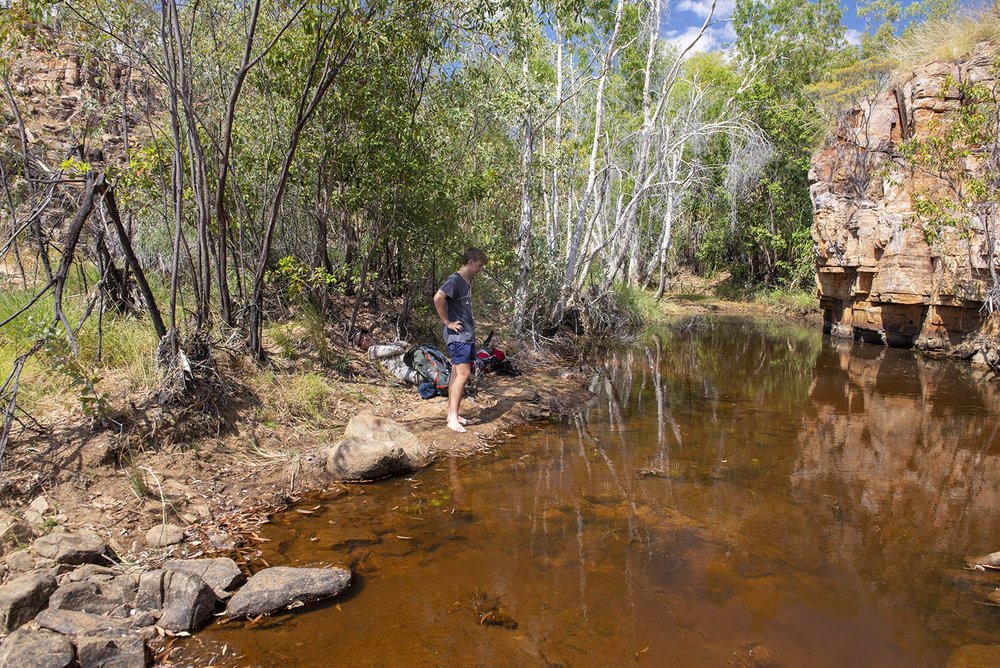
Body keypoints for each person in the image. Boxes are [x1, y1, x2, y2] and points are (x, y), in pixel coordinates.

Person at [433, 247, 487, 432]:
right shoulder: (455, 279)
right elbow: (438, 297)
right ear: (471, 262)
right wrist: (447, 322)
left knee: (456, 373)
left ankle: (452, 414)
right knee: (464, 375)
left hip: (466, 336)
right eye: (479, 265)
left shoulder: (467, 281)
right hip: (458, 337)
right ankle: (452, 420)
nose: (480, 269)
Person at [353, 331, 422, 386]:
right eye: (362, 340)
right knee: (424, 377)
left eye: (365, 335)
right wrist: (395, 346)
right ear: (362, 347)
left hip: (409, 363)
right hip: (402, 368)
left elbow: (404, 343)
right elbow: (397, 349)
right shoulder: (372, 350)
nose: (365, 338)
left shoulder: (381, 345)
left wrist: (389, 344)